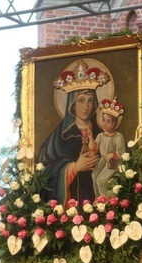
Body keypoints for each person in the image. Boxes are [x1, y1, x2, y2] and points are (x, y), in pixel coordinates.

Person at [38, 59, 109, 203]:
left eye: (90, 101)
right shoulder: (61, 137)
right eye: (81, 100)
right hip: (71, 203)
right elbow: (44, 172)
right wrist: (74, 168)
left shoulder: (102, 131)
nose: (86, 107)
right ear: (72, 104)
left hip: (99, 199)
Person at [92, 97, 126, 197]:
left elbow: (122, 152)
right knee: (94, 176)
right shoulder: (100, 136)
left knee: (101, 180)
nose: (104, 123)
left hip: (113, 163)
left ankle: (104, 200)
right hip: (102, 161)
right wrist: (89, 139)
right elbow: (94, 148)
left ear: (115, 124)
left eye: (108, 121)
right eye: (103, 120)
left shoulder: (118, 136)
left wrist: (112, 154)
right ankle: (97, 198)